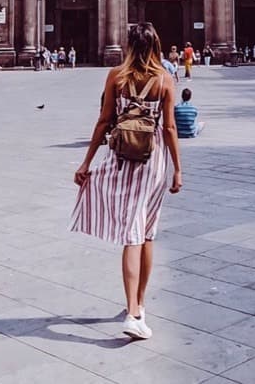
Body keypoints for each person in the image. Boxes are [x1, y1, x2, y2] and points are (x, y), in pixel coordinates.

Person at [70, 22, 182, 341]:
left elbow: (104, 121)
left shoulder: (115, 76)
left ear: (129, 45)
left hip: (122, 159)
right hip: (154, 162)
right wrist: (177, 170)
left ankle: (135, 309)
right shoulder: (164, 79)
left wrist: (87, 161)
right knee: (144, 233)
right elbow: (170, 129)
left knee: (134, 234)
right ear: (157, 44)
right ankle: (136, 308)